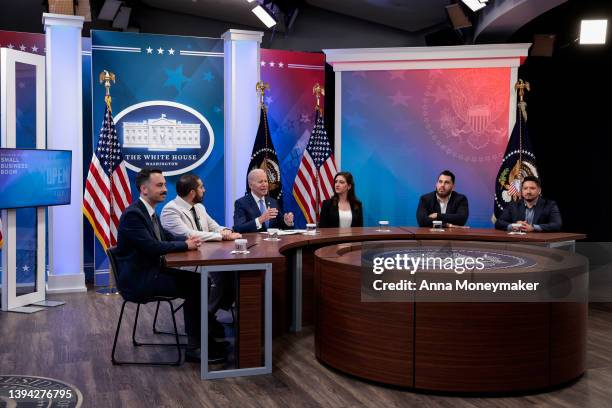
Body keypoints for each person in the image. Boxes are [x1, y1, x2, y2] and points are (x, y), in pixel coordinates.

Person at [114, 168, 225, 364]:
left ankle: (203, 339)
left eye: (164, 184)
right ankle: (195, 347)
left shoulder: (149, 212)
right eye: (160, 185)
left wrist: (187, 239)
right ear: (144, 189)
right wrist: (185, 244)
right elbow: (152, 247)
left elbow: (165, 238)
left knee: (200, 281)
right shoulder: (134, 215)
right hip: (139, 280)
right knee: (196, 285)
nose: (165, 189)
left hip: (153, 272)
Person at [160, 174, 241, 339]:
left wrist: (226, 231)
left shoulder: (199, 207)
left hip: (206, 257)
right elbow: (190, 235)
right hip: (186, 264)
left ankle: (209, 314)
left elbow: (213, 226)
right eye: (201, 187)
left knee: (233, 273)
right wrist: (222, 237)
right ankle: (205, 319)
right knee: (220, 276)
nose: (204, 190)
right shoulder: (170, 210)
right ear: (192, 192)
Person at [233, 168, 294, 233]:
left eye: (266, 181)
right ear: (250, 185)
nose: (264, 185)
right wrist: (260, 220)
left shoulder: (273, 202)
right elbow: (238, 228)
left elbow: (280, 226)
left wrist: (287, 222)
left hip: (273, 242)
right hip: (254, 242)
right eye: (260, 182)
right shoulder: (241, 203)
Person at [495, 175, 562, 232]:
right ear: (522, 191)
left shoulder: (550, 205)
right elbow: (499, 223)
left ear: (539, 191)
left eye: (532, 188)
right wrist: (513, 225)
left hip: (539, 243)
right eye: (525, 188)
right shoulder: (513, 205)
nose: (528, 191)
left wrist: (533, 228)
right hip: (517, 242)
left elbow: (557, 225)